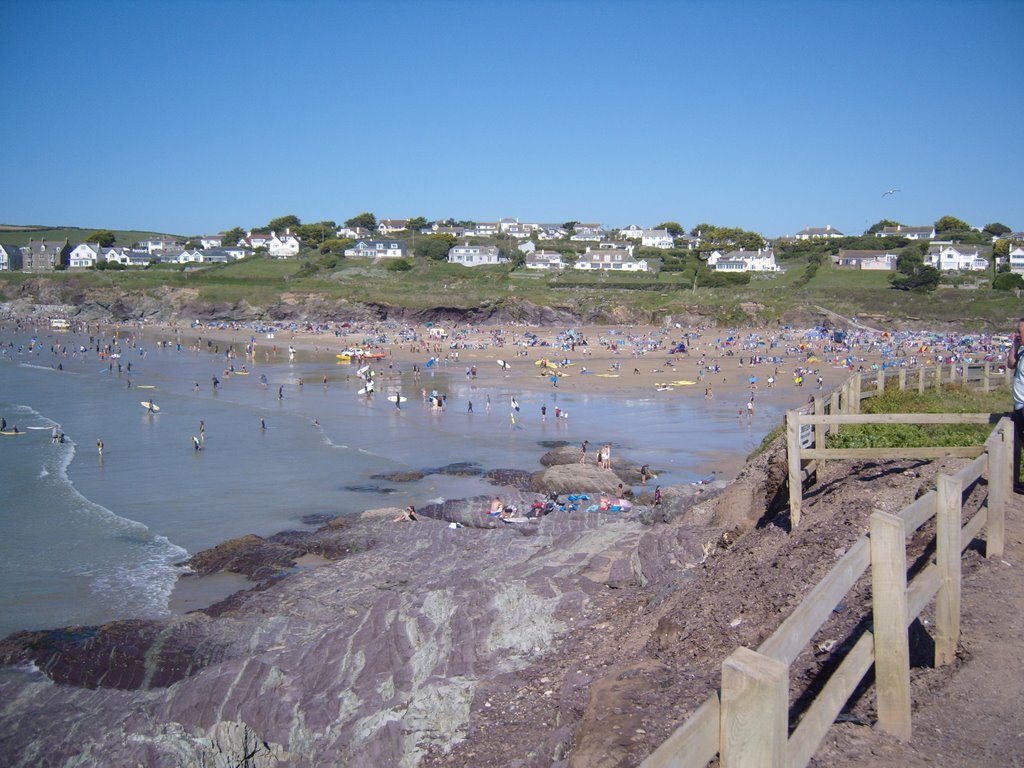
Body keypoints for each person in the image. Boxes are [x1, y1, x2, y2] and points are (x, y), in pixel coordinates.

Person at [1008, 317, 1024, 492]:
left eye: (1020, 331)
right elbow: (1010, 364)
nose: (1017, 334)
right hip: (1019, 406)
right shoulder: (1022, 351)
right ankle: (1015, 482)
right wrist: (1015, 345)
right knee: (1017, 446)